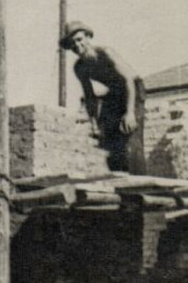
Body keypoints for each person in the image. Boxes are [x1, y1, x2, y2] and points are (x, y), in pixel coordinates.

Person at [60, 20, 146, 174]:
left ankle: (139, 181)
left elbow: (128, 80)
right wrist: (93, 123)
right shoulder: (79, 68)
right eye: (73, 44)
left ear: (87, 37)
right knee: (107, 137)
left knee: (129, 132)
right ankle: (118, 177)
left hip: (133, 89)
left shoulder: (106, 53)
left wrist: (130, 113)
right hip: (114, 93)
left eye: (79, 40)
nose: (78, 46)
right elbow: (90, 97)